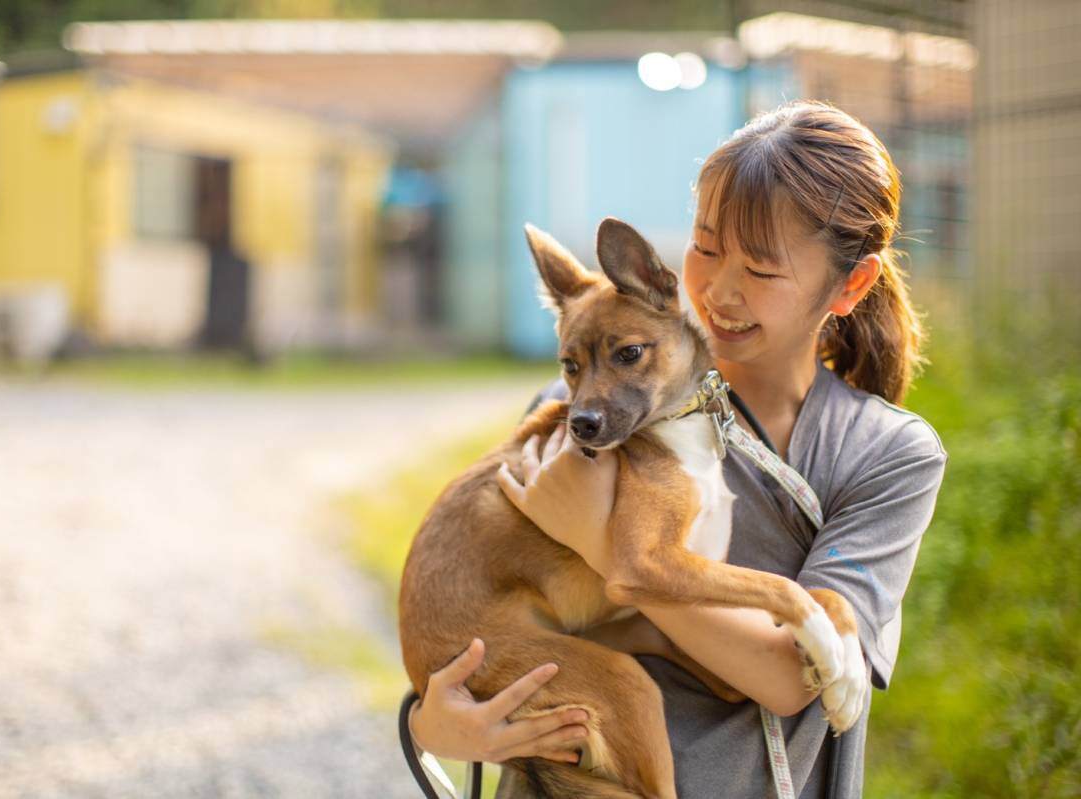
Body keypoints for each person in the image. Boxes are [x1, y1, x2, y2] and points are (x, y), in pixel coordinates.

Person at [406, 100, 947, 798]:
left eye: (761, 268)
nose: (719, 290)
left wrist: (605, 547)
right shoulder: (593, 412)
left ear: (851, 284)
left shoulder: (883, 453)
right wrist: (429, 727)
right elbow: (476, 630)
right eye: (706, 246)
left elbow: (789, 676)